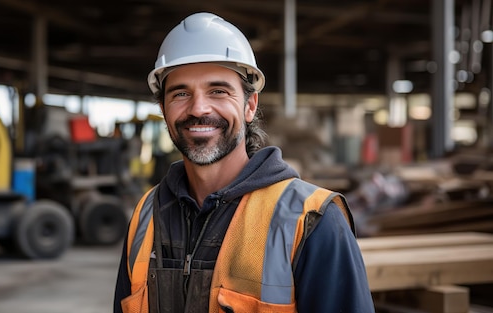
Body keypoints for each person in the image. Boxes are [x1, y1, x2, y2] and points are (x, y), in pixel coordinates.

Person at [114, 12, 375, 313]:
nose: (198, 108)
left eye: (218, 91)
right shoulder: (146, 216)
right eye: (181, 93)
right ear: (163, 108)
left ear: (250, 105)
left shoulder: (312, 221)